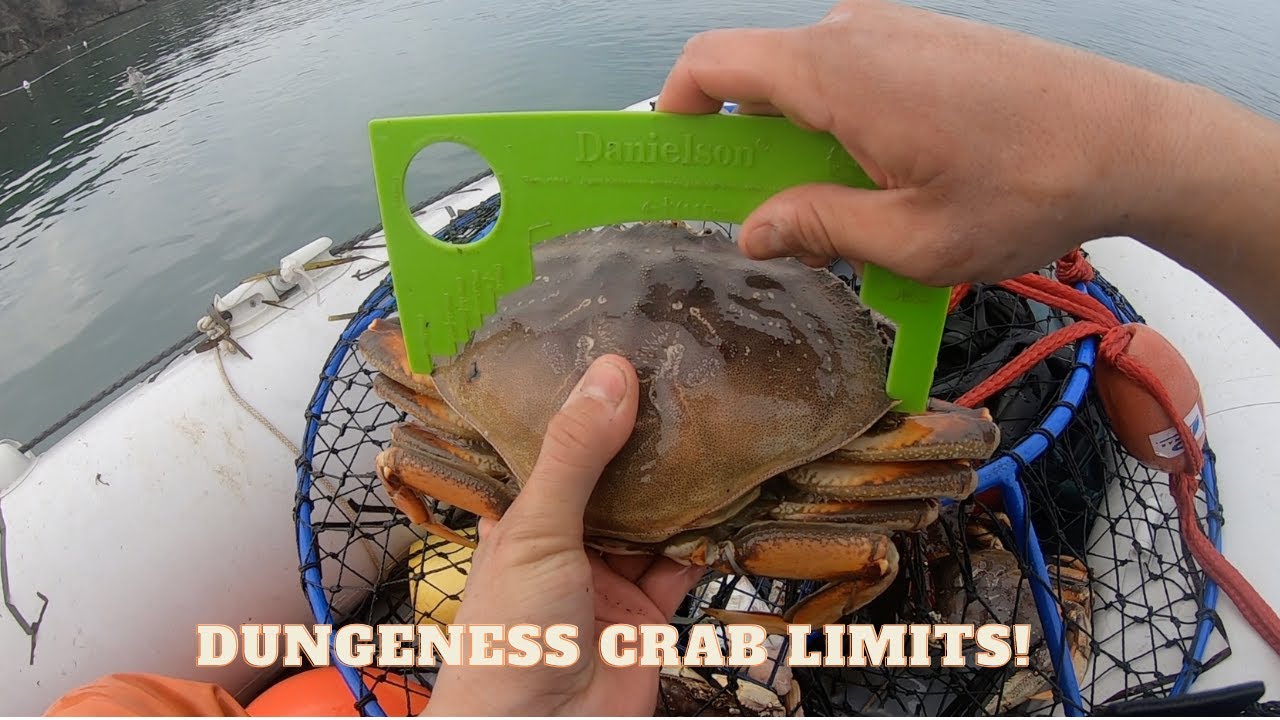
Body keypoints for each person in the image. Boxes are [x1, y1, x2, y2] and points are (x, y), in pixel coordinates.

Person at [46, 0, 1279, 715]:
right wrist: (1147, 152)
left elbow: (406, 382)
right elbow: (943, 445)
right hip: (766, 519)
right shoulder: (845, 371)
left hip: (533, 585)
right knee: (941, 458)